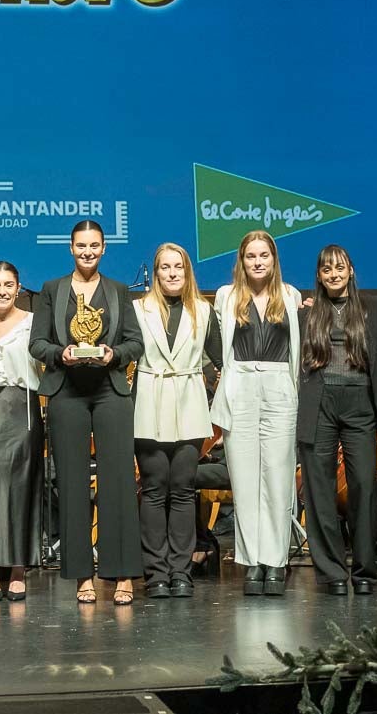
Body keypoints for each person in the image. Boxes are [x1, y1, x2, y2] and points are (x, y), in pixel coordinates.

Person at [30, 220, 144, 605]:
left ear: (104, 248)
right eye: (81, 246)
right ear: (70, 247)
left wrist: (115, 354)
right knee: (73, 484)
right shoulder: (51, 290)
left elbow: (134, 343)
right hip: (67, 391)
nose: (87, 252)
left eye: (94, 245)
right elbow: (37, 344)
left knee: (118, 484)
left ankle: (123, 574)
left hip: (110, 391)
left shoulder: (118, 290)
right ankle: (82, 575)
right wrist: (59, 354)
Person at [210, 230, 302, 597]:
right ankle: (252, 563)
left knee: (278, 479)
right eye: (251, 256)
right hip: (242, 386)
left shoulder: (291, 296)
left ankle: (276, 562)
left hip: (280, 386)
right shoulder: (226, 296)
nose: (258, 261)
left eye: (264, 255)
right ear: (241, 260)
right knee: (245, 481)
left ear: (274, 259)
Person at [297, 245, 377, 597]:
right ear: (319, 276)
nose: (334, 274)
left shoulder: (375, 308)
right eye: (326, 269)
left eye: (340, 268)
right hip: (319, 400)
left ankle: (365, 569)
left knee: (364, 487)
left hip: (361, 402)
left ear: (351, 270)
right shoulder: (306, 315)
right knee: (319, 490)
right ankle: (331, 572)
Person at [132, 242, 220, 599]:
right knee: (154, 488)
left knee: (183, 490)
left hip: (189, 402)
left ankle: (181, 572)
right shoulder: (137, 309)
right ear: (155, 273)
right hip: (148, 401)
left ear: (187, 273)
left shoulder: (203, 309)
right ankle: (155, 572)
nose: (171, 273)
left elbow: (222, 359)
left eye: (178, 267)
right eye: (165, 267)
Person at [0, 261, 43, 602]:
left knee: (20, 488)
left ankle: (18, 569)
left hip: (23, 412)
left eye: (9, 284)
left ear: (18, 288)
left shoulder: (33, 323)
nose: (2, 290)